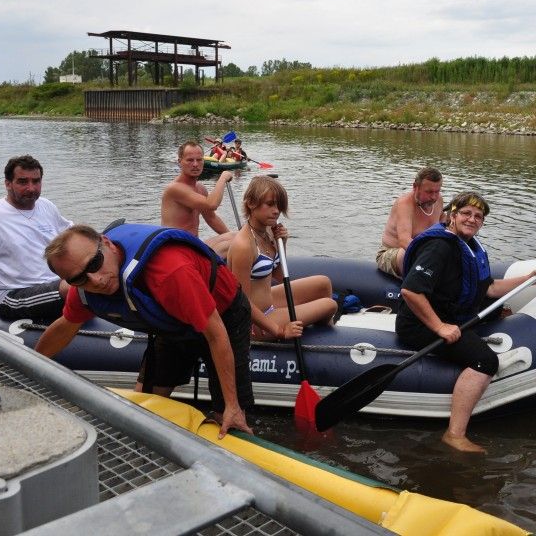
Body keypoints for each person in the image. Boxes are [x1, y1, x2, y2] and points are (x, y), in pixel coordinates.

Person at [35, 223, 272, 437]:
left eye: (95, 263)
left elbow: (216, 334)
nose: (95, 280)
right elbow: (66, 326)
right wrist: (33, 366)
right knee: (147, 402)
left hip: (222, 314)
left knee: (229, 415)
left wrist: (231, 405)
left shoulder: (168, 271)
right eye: (79, 278)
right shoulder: (86, 289)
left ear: (106, 243)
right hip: (173, 322)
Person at [396, 191, 536, 453]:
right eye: (466, 213)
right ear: (452, 215)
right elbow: (411, 291)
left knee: (494, 312)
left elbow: (489, 288)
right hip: (419, 325)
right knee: (485, 361)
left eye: (478, 216)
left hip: (451, 316)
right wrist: (440, 327)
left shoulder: (471, 248)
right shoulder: (439, 247)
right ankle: (454, 434)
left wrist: (528, 278)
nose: (472, 219)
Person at [226, 176, 335, 340]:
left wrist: (282, 243)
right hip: (254, 321)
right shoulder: (244, 245)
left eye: (279, 205)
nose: (276, 210)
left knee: (323, 283)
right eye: (270, 204)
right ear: (250, 203)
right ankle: (323, 342)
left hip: (269, 303)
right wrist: (280, 331)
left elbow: (277, 275)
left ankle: (323, 332)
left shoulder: (269, 231)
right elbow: (242, 303)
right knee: (330, 305)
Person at [0, 155, 72, 321]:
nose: (31, 188)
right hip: (14, 296)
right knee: (74, 288)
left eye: (36, 181)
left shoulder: (46, 206)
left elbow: (71, 237)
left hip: (55, 284)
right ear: (8, 184)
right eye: (23, 182)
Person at [161, 140, 235, 256]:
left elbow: (211, 218)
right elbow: (212, 204)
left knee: (237, 238)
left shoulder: (200, 189)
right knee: (237, 244)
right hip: (177, 250)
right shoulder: (175, 189)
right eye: (190, 160)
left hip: (194, 245)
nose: (195, 164)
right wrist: (222, 178)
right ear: (180, 162)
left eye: (199, 160)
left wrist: (232, 237)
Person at [377, 167, 444, 278]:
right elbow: (404, 241)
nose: (433, 197)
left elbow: (443, 222)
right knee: (407, 253)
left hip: (426, 252)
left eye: (437, 191)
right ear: (415, 187)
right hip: (393, 254)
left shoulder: (438, 200)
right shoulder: (405, 204)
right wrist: (431, 257)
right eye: (429, 192)